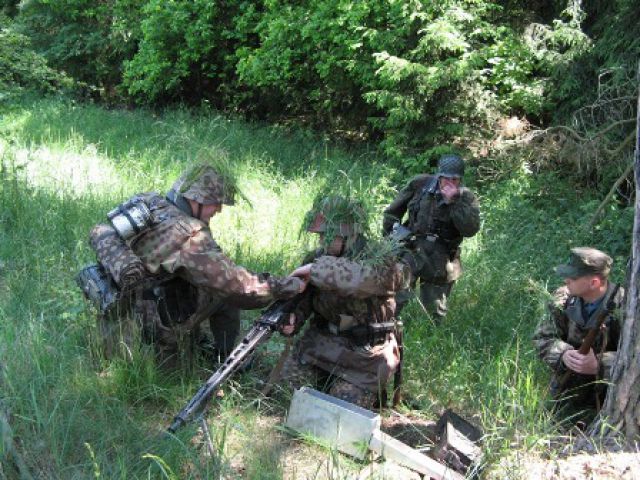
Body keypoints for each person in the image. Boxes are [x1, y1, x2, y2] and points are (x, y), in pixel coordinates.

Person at [82, 162, 305, 368]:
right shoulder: (187, 236)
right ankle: (227, 358)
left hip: (120, 319)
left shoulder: (151, 203)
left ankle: (194, 339)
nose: (219, 209)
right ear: (197, 199)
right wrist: (287, 285)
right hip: (149, 333)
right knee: (223, 295)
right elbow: (238, 288)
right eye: (216, 202)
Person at [278, 195, 409, 408]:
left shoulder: (380, 260)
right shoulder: (318, 259)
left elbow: (358, 281)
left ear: (348, 235)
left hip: (363, 357)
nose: (321, 241)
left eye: (327, 235)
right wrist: (294, 318)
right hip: (321, 346)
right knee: (285, 393)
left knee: (338, 411)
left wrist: (316, 269)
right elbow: (307, 298)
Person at [382, 153, 480, 321]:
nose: (450, 183)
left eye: (455, 179)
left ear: (460, 180)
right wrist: (389, 240)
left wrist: (454, 202)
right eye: (446, 178)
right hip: (412, 249)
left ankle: (431, 333)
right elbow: (392, 212)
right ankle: (387, 328)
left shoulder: (466, 198)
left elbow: (470, 230)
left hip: (441, 258)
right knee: (394, 298)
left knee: (434, 312)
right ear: (439, 176)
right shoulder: (420, 184)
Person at [532, 247, 624, 413]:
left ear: (594, 283)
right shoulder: (563, 299)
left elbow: (634, 357)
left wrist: (600, 364)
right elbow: (542, 338)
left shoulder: (625, 307)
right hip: (565, 396)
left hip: (611, 402)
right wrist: (563, 354)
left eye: (573, 277)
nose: (566, 280)